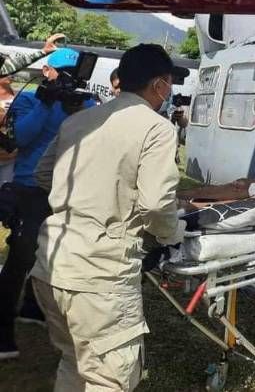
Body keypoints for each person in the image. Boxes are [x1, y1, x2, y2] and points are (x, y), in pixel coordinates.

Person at [30, 44, 185, 391]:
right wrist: (172, 236)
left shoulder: (78, 120)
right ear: (160, 85)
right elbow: (158, 204)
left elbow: (43, 175)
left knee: (74, 363)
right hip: (101, 277)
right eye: (170, 84)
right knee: (108, 379)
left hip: (51, 263)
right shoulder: (157, 128)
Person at [0, 47, 96, 360]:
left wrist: (79, 106)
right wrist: (46, 101)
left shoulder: (84, 103)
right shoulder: (30, 99)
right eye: (61, 72)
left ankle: (32, 306)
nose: (66, 79)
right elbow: (20, 139)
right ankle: (2, 330)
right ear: (47, 71)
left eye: (73, 73)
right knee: (21, 257)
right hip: (30, 188)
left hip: (69, 191)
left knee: (52, 256)